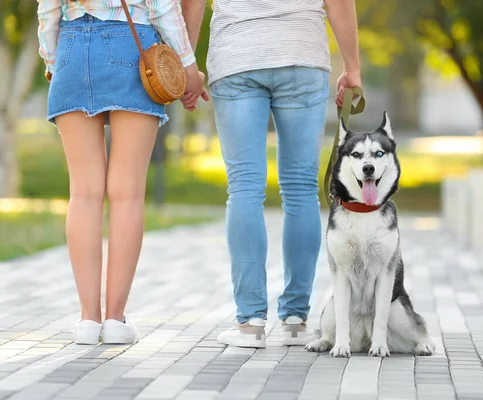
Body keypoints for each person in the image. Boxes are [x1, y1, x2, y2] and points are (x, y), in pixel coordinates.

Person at [180, 0, 362, 348]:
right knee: (301, 189)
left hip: (237, 54)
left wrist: (188, 65)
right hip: (301, 53)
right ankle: (295, 320)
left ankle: (250, 322)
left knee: (244, 188)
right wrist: (352, 65)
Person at [36, 0, 208, 345]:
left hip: (69, 46)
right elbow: (162, 8)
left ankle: (88, 320)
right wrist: (188, 68)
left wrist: (54, 60)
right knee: (126, 193)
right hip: (131, 46)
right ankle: (115, 319)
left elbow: (47, 11)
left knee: (83, 193)